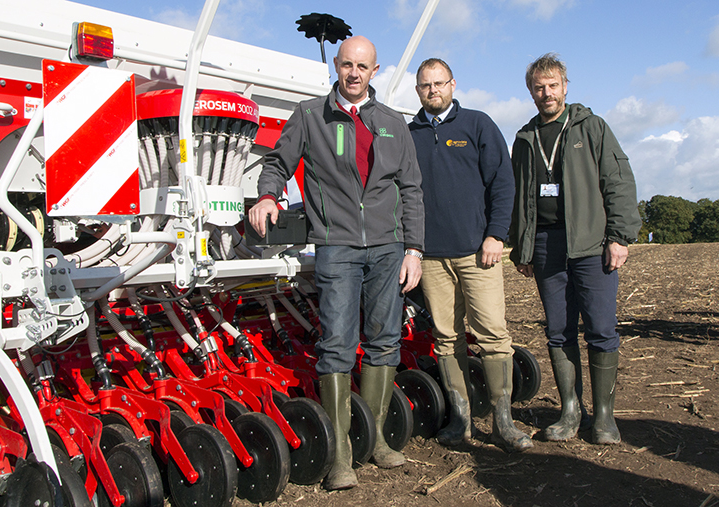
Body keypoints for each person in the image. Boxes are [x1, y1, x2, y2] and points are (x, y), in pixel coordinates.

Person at [248, 35, 424, 489]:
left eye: (362, 67)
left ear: (375, 71)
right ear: (337, 68)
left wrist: (414, 249)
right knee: (338, 345)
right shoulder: (311, 115)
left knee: (385, 339)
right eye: (346, 65)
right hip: (338, 247)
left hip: (388, 247)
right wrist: (268, 196)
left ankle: (378, 441)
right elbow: (277, 162)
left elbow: (411, 189)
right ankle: (342, 455)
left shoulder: (391, 122)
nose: (353, 73)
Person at [509, 53, 641, 445]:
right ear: (530, 91)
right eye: (538, 87)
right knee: (557, 331)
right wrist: (523, 248)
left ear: (565, 86)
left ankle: (603, 417)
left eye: (552, 86)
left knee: (600, 330)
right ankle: (570, 412)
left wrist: (620, 237)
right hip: (547, 245)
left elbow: (618, 181)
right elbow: (519, 198)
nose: (546, 93)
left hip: (590, 243)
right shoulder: (524, 138)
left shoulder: (592, 127)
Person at [408, 58, 532, 453]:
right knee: (446, 338)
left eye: (439, 83)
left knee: (493, 335)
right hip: (430, 256)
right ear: (417, 90)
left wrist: (496, 235)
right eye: (426, 85)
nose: (433, 90)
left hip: (478, 254)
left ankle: (502, 420)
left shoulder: (477, 124)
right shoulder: (408, 134)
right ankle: (460, 419)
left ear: (453, 84)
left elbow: (502, 183)